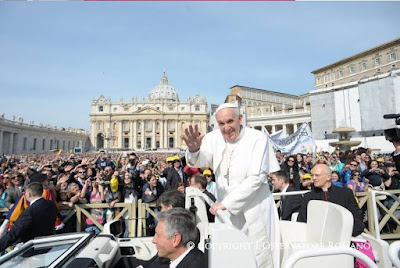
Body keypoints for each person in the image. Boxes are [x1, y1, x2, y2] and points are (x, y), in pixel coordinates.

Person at [182, 103, 280, 268]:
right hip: (225, 210)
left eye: (230, 121)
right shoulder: (214, 138)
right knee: (230, 256)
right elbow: (201, 161)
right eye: (221, 123)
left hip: (254, 207)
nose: (226, 128)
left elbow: (256, 178)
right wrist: (193, 149)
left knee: (259, 256)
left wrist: (227, 204)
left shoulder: (257, 138)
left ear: (240, 119)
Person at [297, 164, 364, 236]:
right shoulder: (308, 197)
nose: (313, 178)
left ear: (328, 177)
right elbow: (302, 221)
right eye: (312, 175)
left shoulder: (345, 193)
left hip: (344, 236)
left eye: (317, 175)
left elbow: (357, 217)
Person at [0, 182, 57, 252]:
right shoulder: (51, 205)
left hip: (32, 249)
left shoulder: (29, 212)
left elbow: (14, 233)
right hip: (49, 245)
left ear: (29, 194)